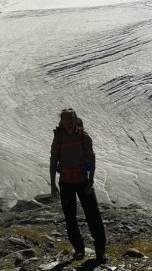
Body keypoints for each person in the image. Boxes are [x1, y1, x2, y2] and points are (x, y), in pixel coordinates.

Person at [50, 108, 107, 263]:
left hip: (83, 182)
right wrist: (53, 185)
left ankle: (100, 250)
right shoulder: (59, 138)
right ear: (61, 121)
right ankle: (79, 249)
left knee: (93, 216)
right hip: (66, 183)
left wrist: (91, 181)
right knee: (70, 218)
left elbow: (92, 158)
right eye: (66, 119)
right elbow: (53, 159)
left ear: (75, 120)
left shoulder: (83, 137)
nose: (69, 122)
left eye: (71, 118)